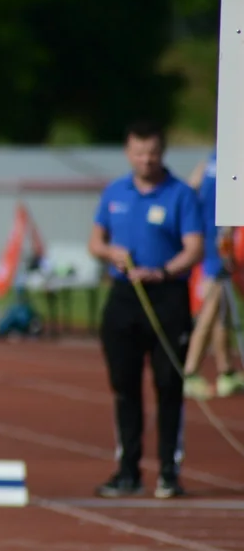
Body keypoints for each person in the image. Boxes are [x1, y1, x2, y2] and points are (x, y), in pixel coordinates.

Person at [87, 121, 203, 500]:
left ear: (162, 151)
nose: (146, 159)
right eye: (139, 152)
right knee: (125, 386)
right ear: (127, 152)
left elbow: (194, 247)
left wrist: (164, 270)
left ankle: (169, 471)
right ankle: (128, 470)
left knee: (169, 384)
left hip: (167, 296)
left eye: (152, 152)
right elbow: (96, 240)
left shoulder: (180, 194)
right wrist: (111, 253)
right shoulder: (115, 192)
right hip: (124, 297)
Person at [181, 149, 244, 398]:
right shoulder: (232, 161)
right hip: (221, 245)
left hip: (211, 241)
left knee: (221, 311)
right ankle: (190, 370)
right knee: (211, 308)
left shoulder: (210, 159)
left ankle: (225, 370)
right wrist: (226, 240)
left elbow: (189, 189)